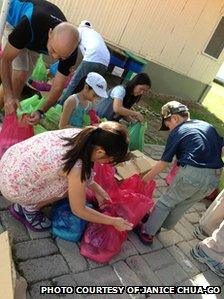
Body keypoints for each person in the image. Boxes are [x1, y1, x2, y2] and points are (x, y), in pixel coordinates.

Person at [0, 121, 133, 232]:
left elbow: (81, 172)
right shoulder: (77, 168)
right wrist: (113, 221)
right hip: (13, 187)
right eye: (109, 161)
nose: (107, 164)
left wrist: (97, 189)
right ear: (100, 152)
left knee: (76, 183)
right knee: (70, 190)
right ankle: (28, 209)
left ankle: (27, 201)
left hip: (9, 163)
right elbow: (79, 210)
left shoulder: (84, 135)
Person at [135, 101, 224, 245]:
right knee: (184, 204)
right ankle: (160, 225)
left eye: (168, 124)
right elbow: (222, 149)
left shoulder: (178, 131)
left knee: (166, 202)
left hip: (193, 173)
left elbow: (164, 162)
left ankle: (148, 232)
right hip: (215, 176)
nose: (169, 129)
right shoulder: (206, 125)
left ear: (175, 118)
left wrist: (145, 179)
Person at [0, 0, 79, 123]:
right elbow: (5, 59)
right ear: (50, 33)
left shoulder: (69, 50)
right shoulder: (31, 23)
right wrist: (8, 96)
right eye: (53, 50)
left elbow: (58, 87)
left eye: (61, 57)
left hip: (36, 40)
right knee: (19, 74)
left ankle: (8, 115)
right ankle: (6, 110)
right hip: (15, 22)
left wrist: (41, 111)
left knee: (23, 78)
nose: (54, 57)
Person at [59, 20, 110, 105]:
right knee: (93, 88)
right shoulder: (95, 33)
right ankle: (80, 109)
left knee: (75, 82)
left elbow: (72, 49)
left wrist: (69, 65)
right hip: (105, 62)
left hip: (93, 57)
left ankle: (61, 105)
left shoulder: (79, 30)